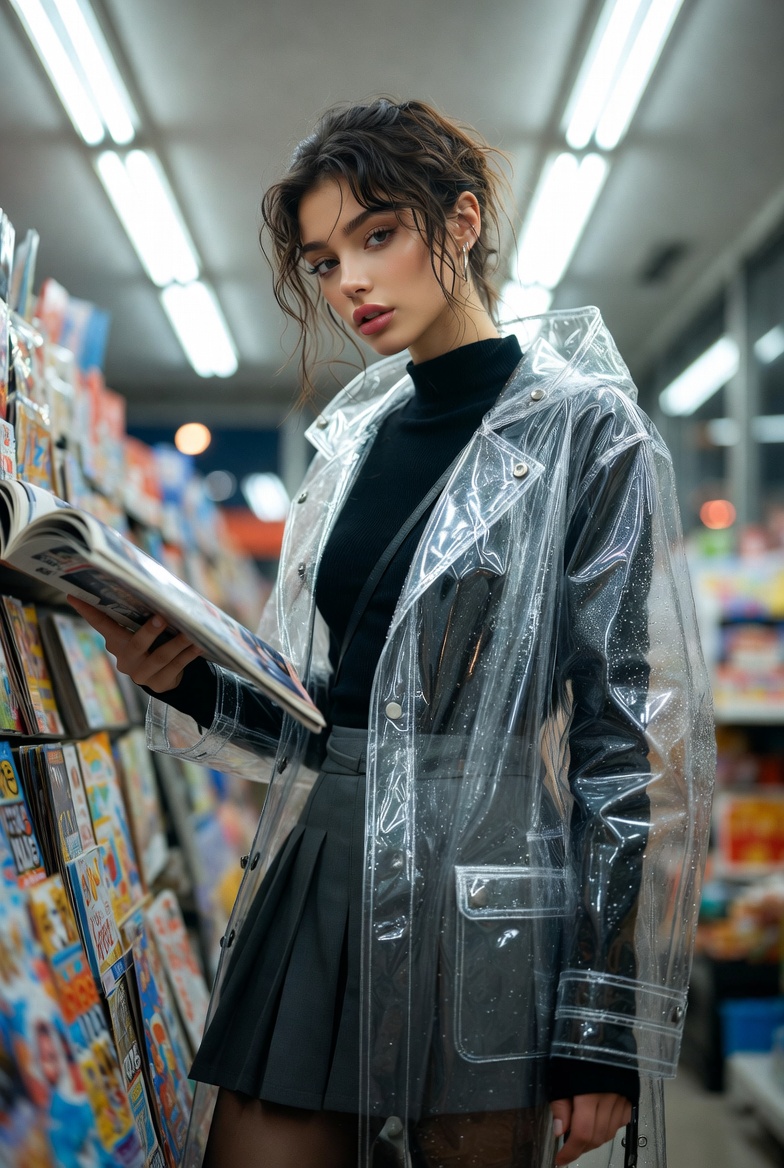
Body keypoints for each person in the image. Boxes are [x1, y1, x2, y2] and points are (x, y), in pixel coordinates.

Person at [70, 98, 715, 1168]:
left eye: (377, 236)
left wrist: (601, 1028)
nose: (349, 283)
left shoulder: (583, 431)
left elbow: (622, 739)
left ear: (459, 224)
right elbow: (320, 703)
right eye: (323, 261)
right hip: (324, 853)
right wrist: (186, 681)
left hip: (488, 881)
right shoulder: (351, 442)